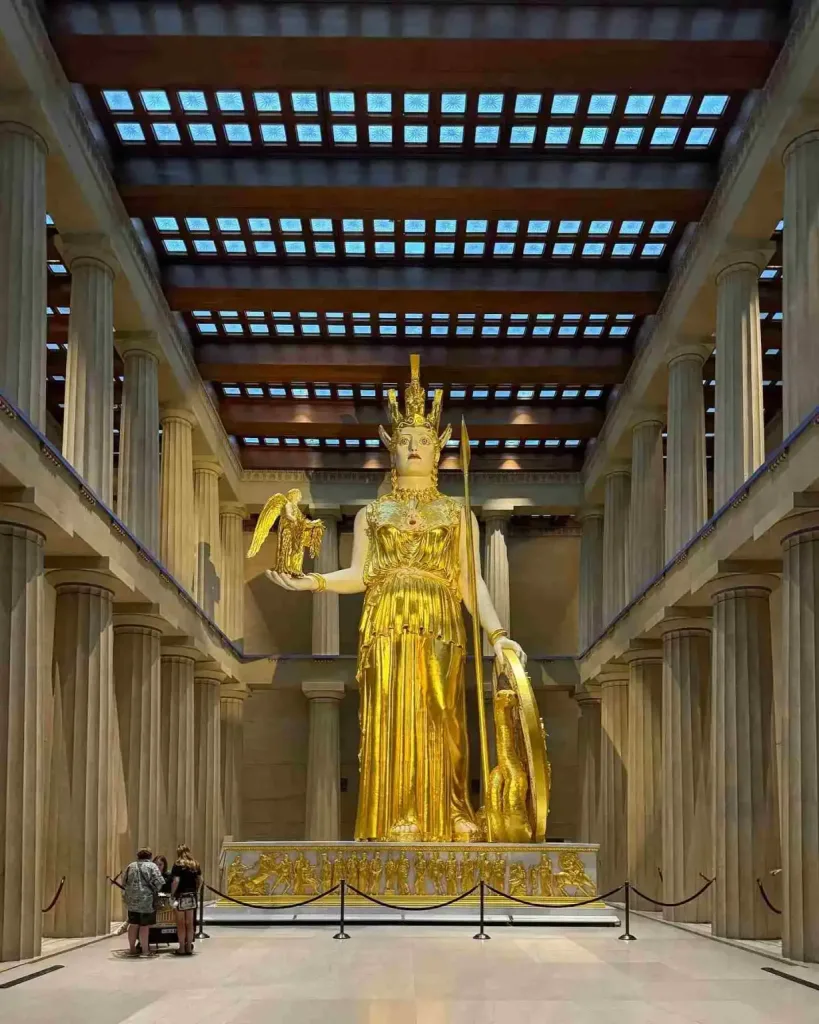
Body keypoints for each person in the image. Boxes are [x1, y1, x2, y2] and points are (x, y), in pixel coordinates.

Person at [267, 356, 525, 842]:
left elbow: (472, 583)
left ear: (438, 449)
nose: (413, 447)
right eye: (405, 440)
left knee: (443, 713)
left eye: (423, 440)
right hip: (386, 622)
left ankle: (451, 812)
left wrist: (499, 635)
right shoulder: (372, 513)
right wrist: (315, 583)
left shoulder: (456, 513)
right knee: (391, 715)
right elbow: (361, 574)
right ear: (390, 448)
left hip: (440, 621)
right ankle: (398, 815)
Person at [122, 848, 164, 957]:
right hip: (147, 901)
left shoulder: (130, 866)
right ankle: (145, 950)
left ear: (138, 856)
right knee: (144, 926)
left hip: (132, 901)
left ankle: (132, 949)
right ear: (150, 857)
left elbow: (124, 882)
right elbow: (159, 883)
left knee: (133, 924)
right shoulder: (152, 866)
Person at [170, 844, 202, 955]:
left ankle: (182, 948)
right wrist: (196, 890)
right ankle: (189, 947)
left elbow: (176, 881)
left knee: (181, 923)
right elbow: (200, 880)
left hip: (181, 895)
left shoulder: (178, 864)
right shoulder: (195, 864)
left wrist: (172, 893)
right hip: (192, 895)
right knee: (190, 923)